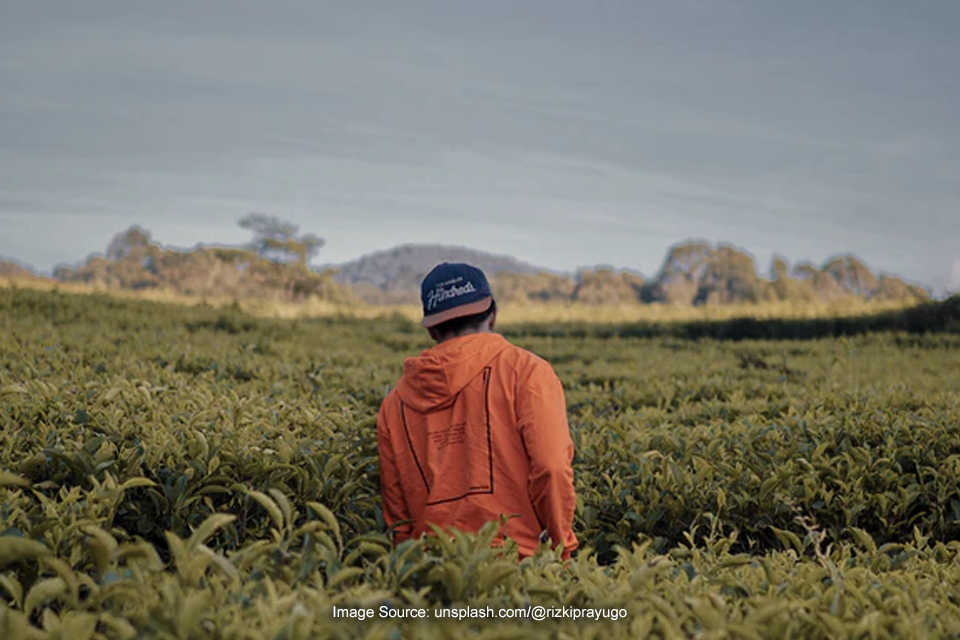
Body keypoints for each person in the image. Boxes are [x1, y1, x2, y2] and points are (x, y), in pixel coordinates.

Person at [376, 262, 579, 560]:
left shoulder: (394, 404)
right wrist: (562, 548)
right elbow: (551, 467)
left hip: (434, 567)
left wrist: (411, 571)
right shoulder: (527, 372)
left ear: (432, 329)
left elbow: (397, 511)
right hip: (520, 566)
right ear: (493, 316)